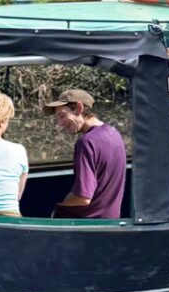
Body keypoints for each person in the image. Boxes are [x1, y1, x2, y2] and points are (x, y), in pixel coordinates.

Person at [45, 89, 125, 219]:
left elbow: (83, 197)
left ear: (78, 107)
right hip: (111, 221)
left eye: (62, 115)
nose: (60, 124)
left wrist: (60, 206)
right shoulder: (115, 134)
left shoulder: (86, 142)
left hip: (85, 225)